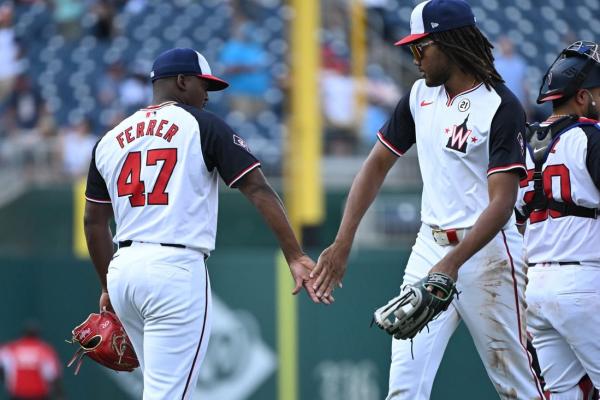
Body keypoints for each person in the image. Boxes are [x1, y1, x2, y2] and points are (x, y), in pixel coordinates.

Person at [310, 0, 544, 398]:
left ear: (450, 43)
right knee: (404, 388)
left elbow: (502, 203)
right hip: (429, 246)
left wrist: (451, 265)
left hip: (487, 254)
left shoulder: (500, 106)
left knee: (516, 385)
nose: (414, 57)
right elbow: (375, 165)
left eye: (422, 47)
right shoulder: (419, 95)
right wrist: (343, 240)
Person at [83, 47, 330, 399]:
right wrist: (294, 254)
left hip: (123, 271)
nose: (207, 97)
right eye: (204, 86)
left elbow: (93, 222)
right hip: (174, 269)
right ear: (183, 81)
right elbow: (257, 187)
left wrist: (107, 285)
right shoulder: (201, 124)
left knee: (158, 390)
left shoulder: (109, 139)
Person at [515, 40, 600, 400]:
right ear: (582, 97)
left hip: (538, 285)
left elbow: (514, 215)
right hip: (584, 282)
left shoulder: (523, 143)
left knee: (564, 395)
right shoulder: (589, 137)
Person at [0, 321, 64, 400]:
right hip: (39, 395)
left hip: (18, 395)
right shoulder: (44, 350)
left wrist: (6, 380)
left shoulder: (11, 348)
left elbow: (2, 367)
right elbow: (53, 375)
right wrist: (60, 395)